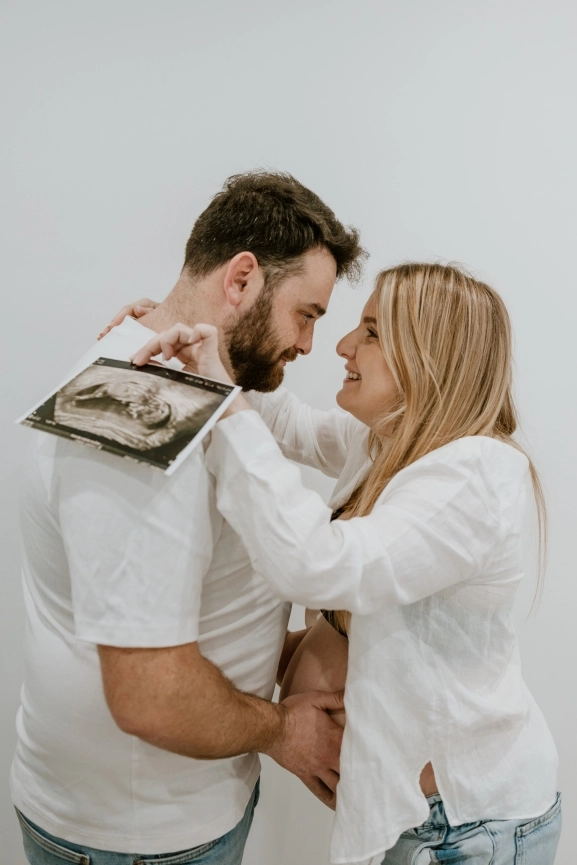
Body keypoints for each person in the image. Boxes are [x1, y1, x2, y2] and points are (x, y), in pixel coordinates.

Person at [132, 262, 561, 865]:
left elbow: (317, 564)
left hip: (464, 831)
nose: (342, 345)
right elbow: (290, 426)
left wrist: (221, 401)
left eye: (372, 332)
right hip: (426, 824)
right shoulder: (392, 442)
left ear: (429, 356)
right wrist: (189, 335)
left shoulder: (474, 478)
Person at [12, 171, 365, 865]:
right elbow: (152, 697)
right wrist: (284, 731)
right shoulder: (140, 415)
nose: (308, 344)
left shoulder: (206, 373)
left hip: (178, 810)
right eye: (307, 314)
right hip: (137, 839)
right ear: (241, 280)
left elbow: (325, 438)